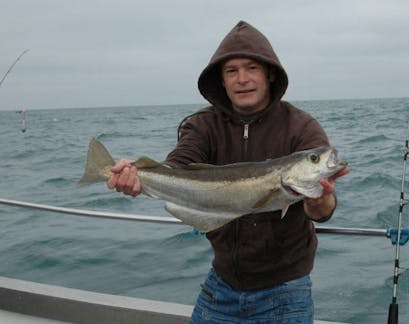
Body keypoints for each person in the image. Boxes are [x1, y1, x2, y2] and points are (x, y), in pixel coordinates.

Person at [107, 20, 349, 323]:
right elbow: (179, 164)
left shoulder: (300, 127)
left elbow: (323, 210)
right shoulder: (203, 125)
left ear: (270, 73)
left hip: (286, 289)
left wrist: (318, 201)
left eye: (252, 68)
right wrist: (137, 175)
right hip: (220, 284)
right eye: (231, 71)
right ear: (221, 80)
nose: (242, 79)